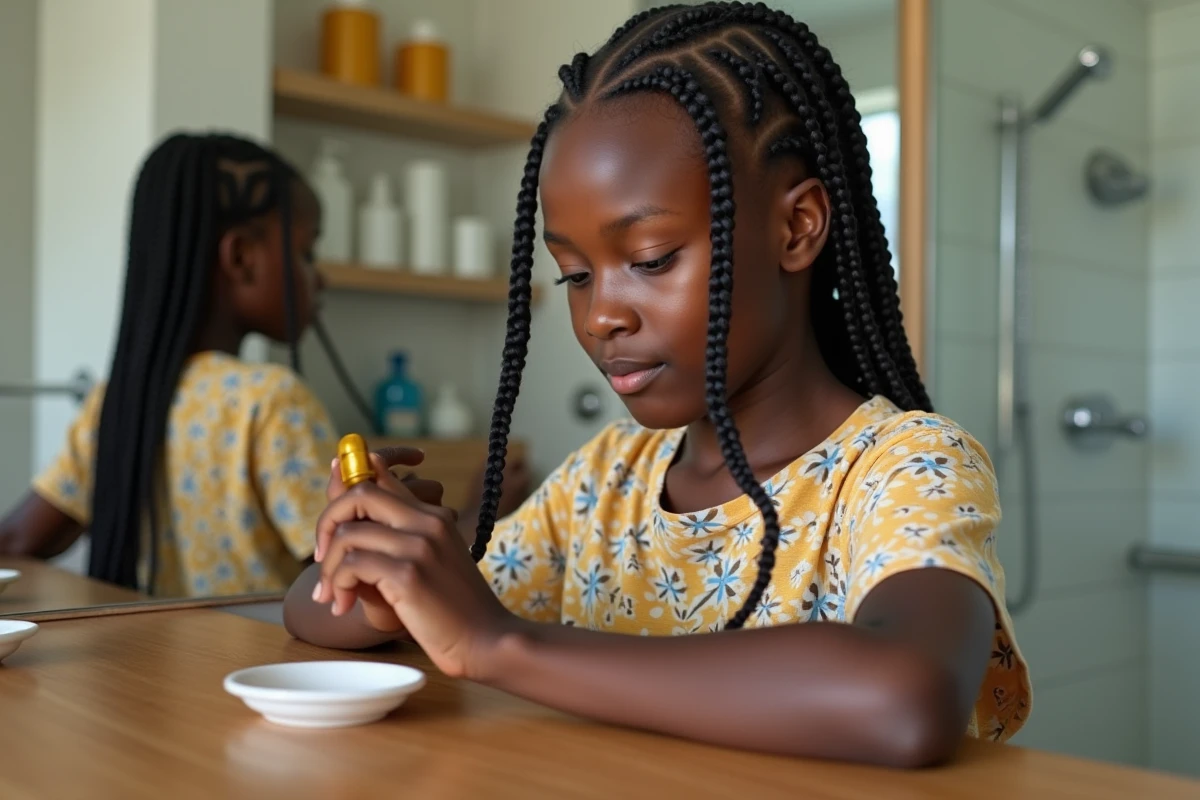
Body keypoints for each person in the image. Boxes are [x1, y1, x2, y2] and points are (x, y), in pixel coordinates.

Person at [287, 2, 1032, 767]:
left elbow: (905, 700)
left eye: (649, 258)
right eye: (575, 274)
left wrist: (500, 643)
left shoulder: (905, 469)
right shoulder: (603, 485)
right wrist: (387, 564)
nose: (602, 313)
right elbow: (313, 612)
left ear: (797, 227)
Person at [0, 133, 335, 597]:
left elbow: (16, 539)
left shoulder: (117, 401)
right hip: (257, 669)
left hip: (144, 668)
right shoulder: (273, 400)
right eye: (307, 251)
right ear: (241, 257)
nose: (321, 276)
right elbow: (348, 578)